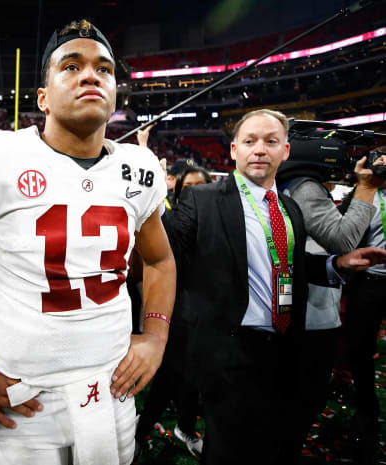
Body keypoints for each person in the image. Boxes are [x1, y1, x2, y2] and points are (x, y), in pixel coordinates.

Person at [0, 19, 176, 465]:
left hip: (113, 388)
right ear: (43, 97)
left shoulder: (138, 168)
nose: (90, 75)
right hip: (25, 402)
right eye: (71, 66)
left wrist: (155, 335)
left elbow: (159, 261)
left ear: (115, 92)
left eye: (103, 69)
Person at [162, 108, 386, 465]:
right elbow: (164, 251)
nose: (260, 149)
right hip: (226, 349)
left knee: (266, 442)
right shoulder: (201, 200)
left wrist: (336, 264)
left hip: (282, 346)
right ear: (234, 150)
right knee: (227, 450)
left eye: (270, 141)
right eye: (249, 141)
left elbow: (289, 264)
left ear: (286, 151)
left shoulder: (289, 208)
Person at [276, 151, 386, 462]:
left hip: (305, 305)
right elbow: (343, 238)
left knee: (295, 399)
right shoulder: (306, 187)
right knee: (302, 398)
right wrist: (366, 189)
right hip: (311, 313)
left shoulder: (291, 185)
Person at [135, 165, 213, 460]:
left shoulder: (222, 221)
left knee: (196, 377)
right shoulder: (169, 220)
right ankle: (141, 432)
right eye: (189, 186)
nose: (195, 191)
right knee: (167, 377)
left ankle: (185, 428)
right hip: (177, 309)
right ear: (179, 191)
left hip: (208, 312)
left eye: (201, 185)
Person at [340, 170, 386, 464]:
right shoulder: (362, 195)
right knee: (360, 349)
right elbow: (345, 236)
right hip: (369, 281)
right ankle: (367, 412)